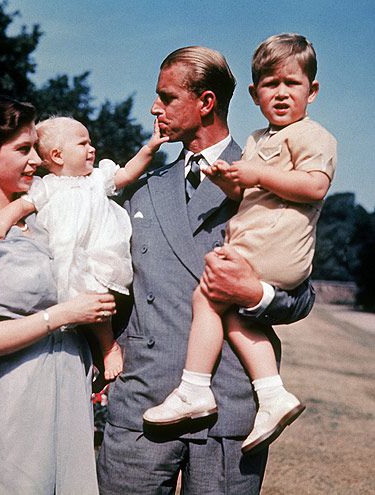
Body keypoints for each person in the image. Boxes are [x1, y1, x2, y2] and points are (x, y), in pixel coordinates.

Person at [97, 46, 316, 494]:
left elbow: (301, 293)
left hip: (229, 407)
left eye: (166, 97)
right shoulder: (143, 190)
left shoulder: (270, 176)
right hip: (143, 405)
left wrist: (255, 294)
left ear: (206, 102)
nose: (154, 108)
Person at [143, 33, 336, 456]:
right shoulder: (253, 144)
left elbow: (314, 186)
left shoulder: (308, 137)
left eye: (292, 84)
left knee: (210, 297)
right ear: (254, 93)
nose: (281, 94)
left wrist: (257, 294)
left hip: (272, 258)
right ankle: (272, 394)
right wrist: (233, 185)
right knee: (224, 310)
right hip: (142, 396)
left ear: (313, 91)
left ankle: (196, 388)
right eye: (270, 85)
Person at [0, 96, 117, 495]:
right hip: (19, 400)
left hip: (70, 389)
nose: (36, 160)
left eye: (36, 147)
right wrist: (64, 314)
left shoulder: (41, 224)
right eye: (22, 149)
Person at [0, 116, 168, 382]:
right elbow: (20, 207)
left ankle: (108, 346)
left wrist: (150, 148)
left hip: (98, 254)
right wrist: (0, 223)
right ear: (57, 155)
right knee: (70, 307)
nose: (92, 149)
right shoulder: (47, 187)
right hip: (64, 257)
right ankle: (89, 357)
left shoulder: (97, 178)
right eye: (83, 144)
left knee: (96, 299)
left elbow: (126, 173)